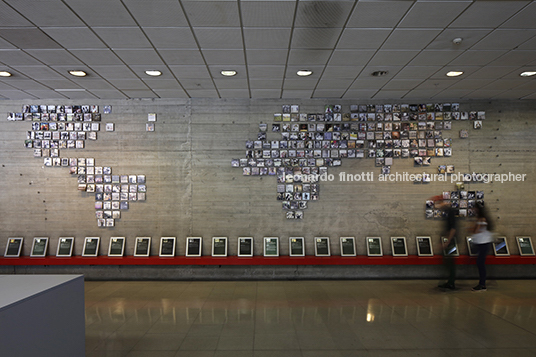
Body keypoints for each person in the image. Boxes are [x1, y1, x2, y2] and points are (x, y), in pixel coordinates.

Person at [432, 195, 458, 291]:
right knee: (447, 261)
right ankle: (449, 282)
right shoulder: (448, 212)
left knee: (450, 262)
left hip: (450, 241)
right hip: (449, 240)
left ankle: (451, 283)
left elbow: (453, 228)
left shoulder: (450, 212)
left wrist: (447, 241)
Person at [470, 203, 494, 291]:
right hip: (481, 243)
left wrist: (474, 226)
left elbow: (476, 230)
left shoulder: (482, 219)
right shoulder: (482, 219)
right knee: (480, 263)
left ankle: (482, 284)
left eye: (474, 208)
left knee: (480, 264)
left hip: (484, 244)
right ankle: (482, 283)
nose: (473, 210)